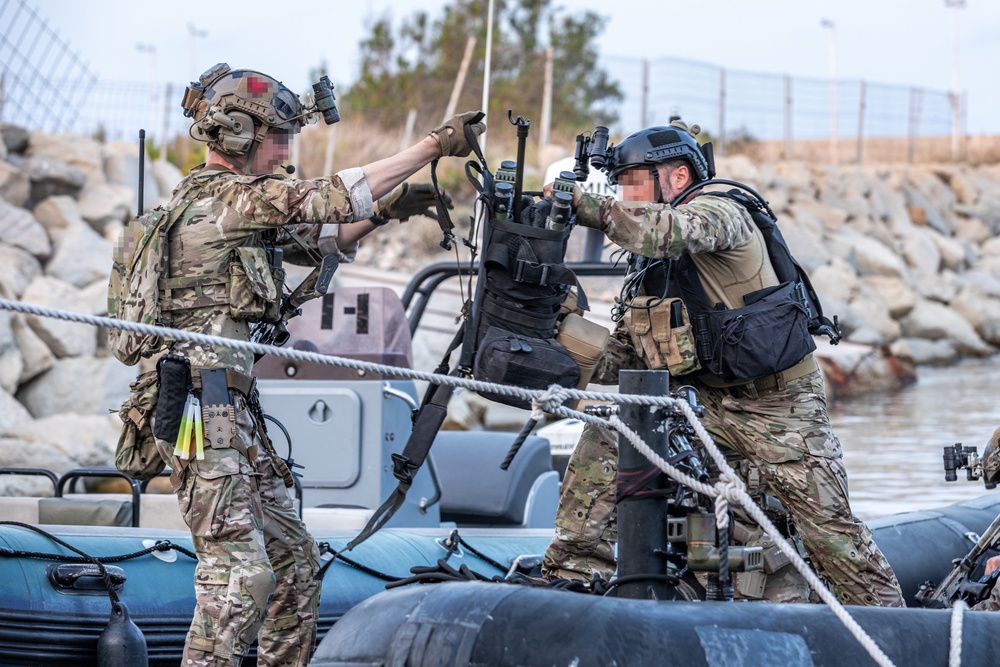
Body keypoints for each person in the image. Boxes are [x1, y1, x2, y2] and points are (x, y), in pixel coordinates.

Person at [120, 63, 484, 667]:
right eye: (278, 137)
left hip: (231, 412)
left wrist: (389, 209)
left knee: (294, 566)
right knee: (239, 578)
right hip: (197, 415)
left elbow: (322, 238)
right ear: (236, 134)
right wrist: (432, 146)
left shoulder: (241, 208)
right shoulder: (224, 202)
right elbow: (333, 196)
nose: (286, 150)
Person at [541, 119, 904, 608]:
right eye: (620, 186)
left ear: (677, 177)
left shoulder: (721, 211)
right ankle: (573, 573)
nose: (624, 194)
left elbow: (667, 232)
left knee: (832, 536)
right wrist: (555, 329)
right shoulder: (654, 265)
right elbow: (623, 361)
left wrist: (585, 206)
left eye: (632, 183)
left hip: (779, 408)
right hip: (705, 402)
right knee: (613, 430)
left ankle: (891, 626)